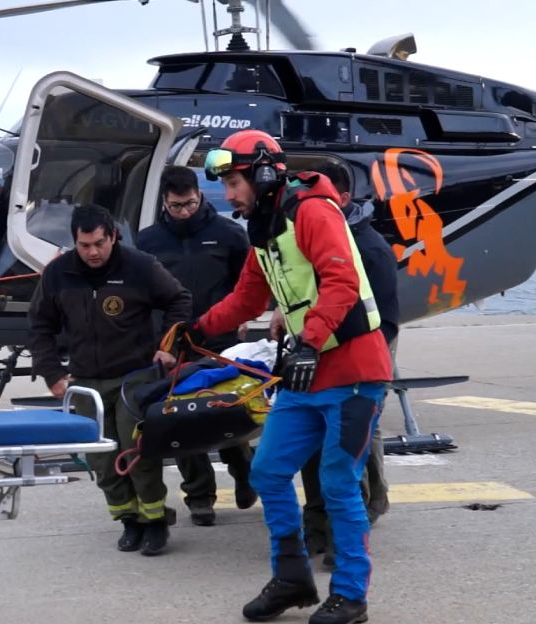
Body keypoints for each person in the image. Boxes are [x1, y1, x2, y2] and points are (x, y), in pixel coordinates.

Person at [180, 130, 392, 624]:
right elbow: (249, 298)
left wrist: (310, 341)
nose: (227, 194)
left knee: (338, 482)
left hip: (355, 370)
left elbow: (341, 281)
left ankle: (352, 595)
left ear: (262, 172)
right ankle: (293, 577)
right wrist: (194, 329)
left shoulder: (313, 211)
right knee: (268, 471)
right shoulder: (266, 225)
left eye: (233, 182)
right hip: (309, 374)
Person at [29, 203, 192, 556]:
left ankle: (155, 523)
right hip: (86, 383)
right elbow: (40, 326)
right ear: (74, 241)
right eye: (84, 245)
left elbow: (179, 299)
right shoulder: (57, 274)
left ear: (113, 236)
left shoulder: (140, 267)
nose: (92, 252)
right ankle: (129, 521)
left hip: (133, 378)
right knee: (103, 462)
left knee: (137, 455)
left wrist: (168, 345)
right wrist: (53, 374)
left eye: (99, 243)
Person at [279, 166, 399, 568]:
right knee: (318, 445)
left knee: (354, 444)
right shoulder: (308, 234)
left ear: (342, 198)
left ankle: (365, 510)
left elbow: (382, 316)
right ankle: (318, 526)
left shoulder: (370, 248)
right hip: (322, 347)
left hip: (361, 352)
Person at [135, 165, 257, 527]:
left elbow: (249, 283)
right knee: (181, 420)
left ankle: (243, 473)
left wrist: (245, 317)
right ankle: (200, 496)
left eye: (190, 203)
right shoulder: (147, 242)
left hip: (221, 339)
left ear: (200, 196)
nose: (185, 211)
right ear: (164, 202)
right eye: (176, 206)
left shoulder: (230, 234)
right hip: (174, 344)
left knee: (227, 412)